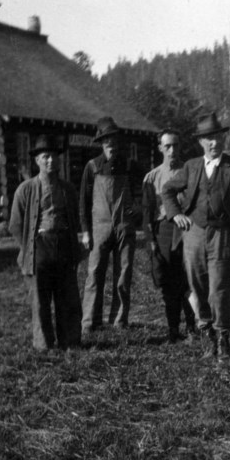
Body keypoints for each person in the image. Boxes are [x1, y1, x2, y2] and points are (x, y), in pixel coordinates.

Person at [161, 112, 230, 361]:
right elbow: (167, 190)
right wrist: (176, 214)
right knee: (197, 288)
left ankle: (222, 337)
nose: (215, 143)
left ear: (224, 139)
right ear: (201, 142)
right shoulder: (191, 167)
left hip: (221, 235)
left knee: (219, 289)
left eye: (218, 137)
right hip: (193, 235)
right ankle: (206, 333)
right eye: (209, 139)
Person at [9, 135, 82, 350]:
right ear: (37, 161)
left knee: (66, 296)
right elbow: (15, 224)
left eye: (54, 157)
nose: (51, 161)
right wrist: (29, 247)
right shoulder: (26, 189)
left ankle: (69, 341)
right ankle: (44, 345)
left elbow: (74, 220)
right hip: (39, 246)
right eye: (46, 157)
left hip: (63, 245)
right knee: (40, 300)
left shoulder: (67, 189)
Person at [79, 116, 144, 335]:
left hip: (124, 226)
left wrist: (137, 208)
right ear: (101, 143)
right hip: (99, 228)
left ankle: (119, 320)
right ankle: (90, 322)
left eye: (114, 140)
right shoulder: (92, 167)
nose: (111, 145)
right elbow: (84, 201)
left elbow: (144, 189)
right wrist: (86, 231)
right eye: (107, 141)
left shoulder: (128, 165)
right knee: (94, 273)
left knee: (123, 273)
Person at [142, 129, 198, 342]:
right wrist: (151, 242)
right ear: (160, 149)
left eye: (175, 145)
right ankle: (173, 329)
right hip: (163, 231)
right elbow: (147, 215)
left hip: (186, 229)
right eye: (167, 146)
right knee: (168, 282)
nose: (172, 150)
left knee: (188, 279)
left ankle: (192, 327)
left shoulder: (190, 171)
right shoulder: (151, 177)